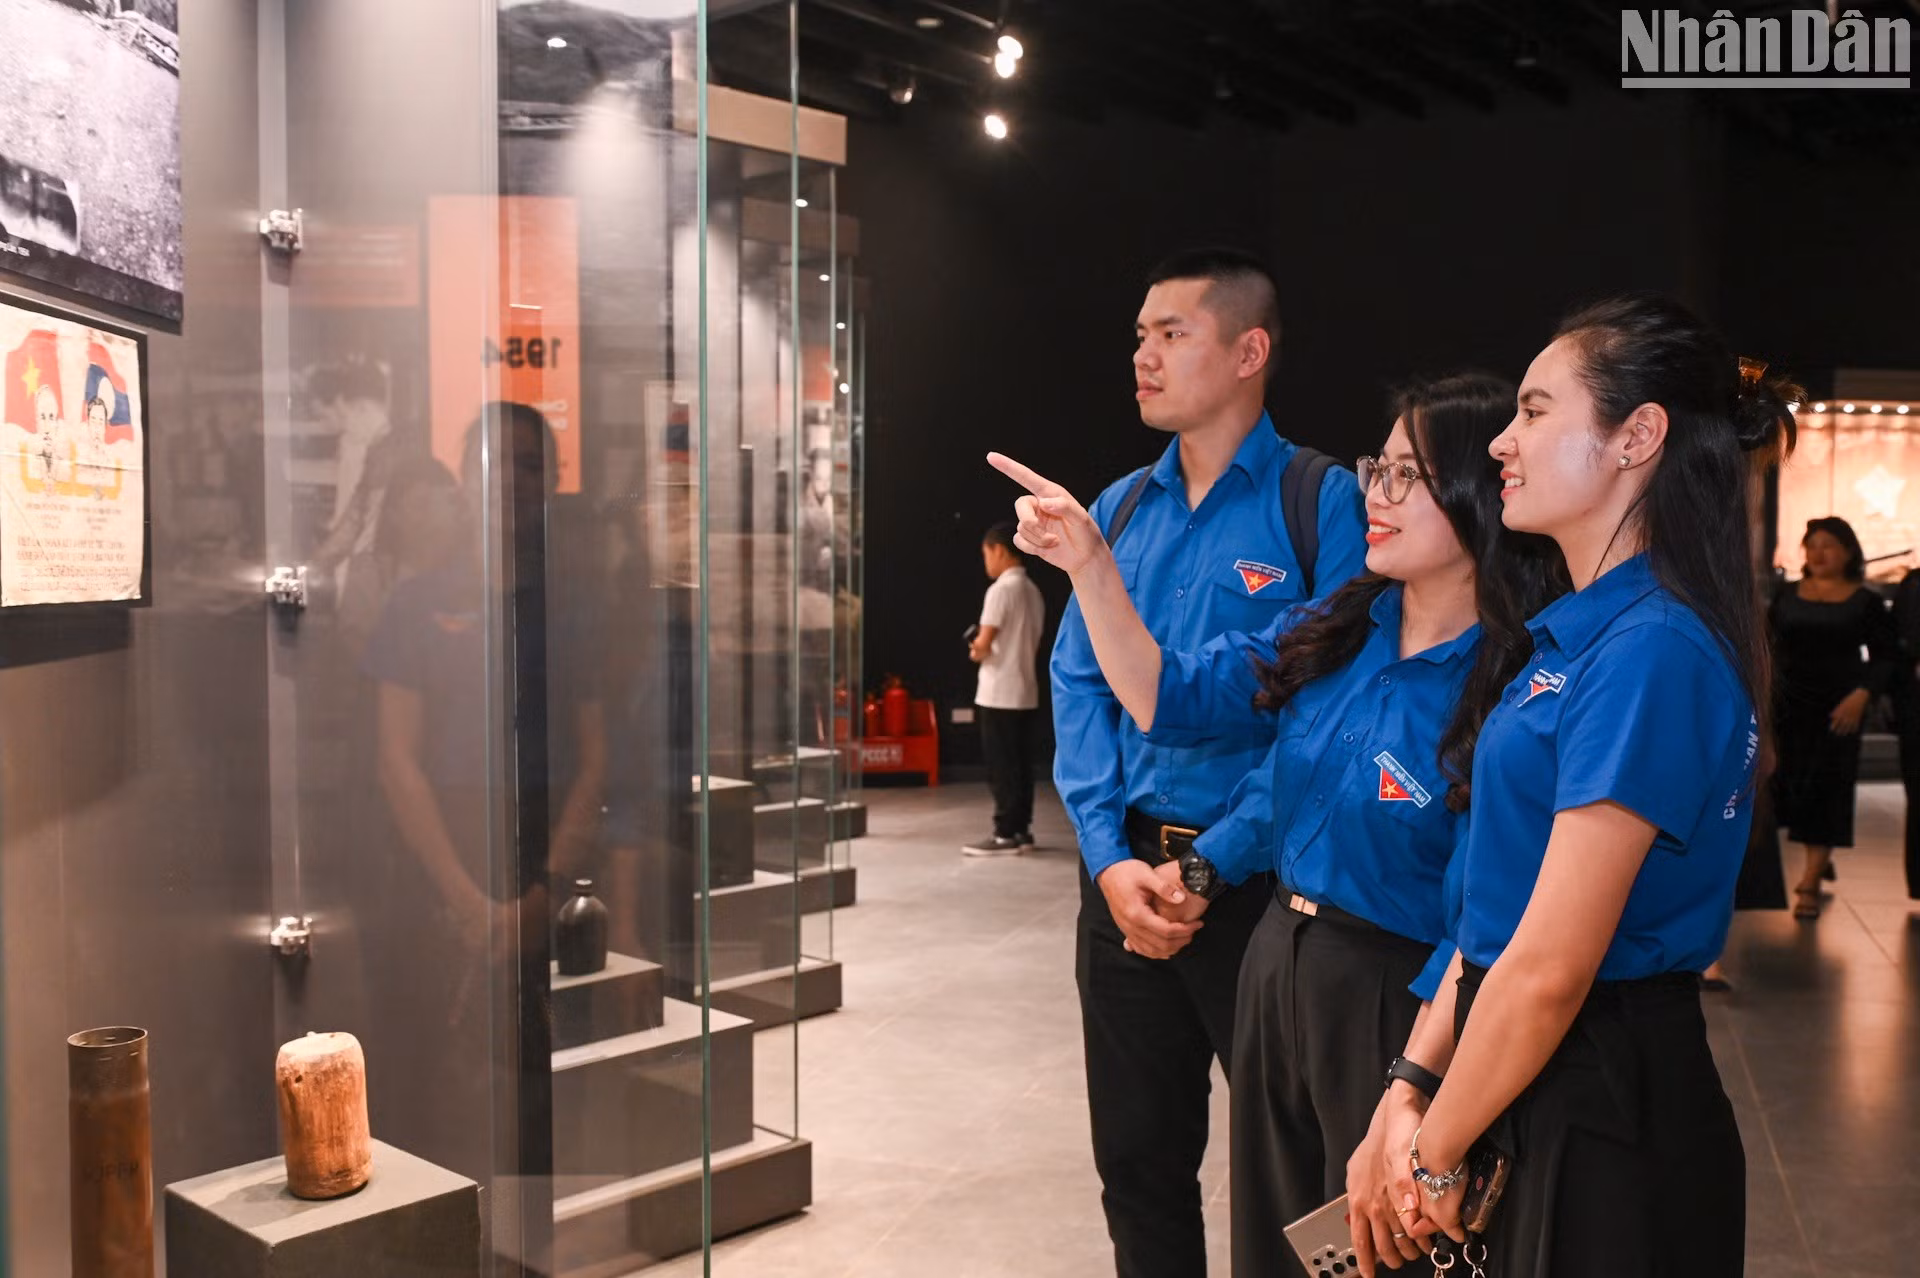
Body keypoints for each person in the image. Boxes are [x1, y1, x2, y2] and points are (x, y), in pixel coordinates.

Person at [993, 372, 1565, 1276]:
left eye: (1408, 477)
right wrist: (1092, 566)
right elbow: (1165, 695)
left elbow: (1491, 917)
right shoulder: (1337, 629)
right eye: (1378, 468)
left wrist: (1419, 1080)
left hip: (1399, 999)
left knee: (1381, 1246)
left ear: (1477, 495)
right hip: (1278, 966)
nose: (1376, 495)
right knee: (1277, 1241)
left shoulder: (1516, 684)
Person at [1363, 295, 1798, 1277]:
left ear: (1636, 437)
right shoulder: (1583, 634)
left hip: (1601, 1098)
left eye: (1534, 410)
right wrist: (1411, 1089)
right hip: (1520, 1070)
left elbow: (1552, 965)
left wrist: (1428, 1158)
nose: (1503, 441)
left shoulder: (1651, 650)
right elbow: (1498, 918)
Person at [1041, 247, 1368, 1278]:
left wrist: (1211, 862)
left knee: (1302, 1171)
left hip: (1263, 890)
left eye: (1171, 334)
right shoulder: (1117, 510)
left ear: (1248, 351)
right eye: (1140, 335)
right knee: (1137, 1167)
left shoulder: (1323, 503)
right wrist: (1107, 858)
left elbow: (1327, 716)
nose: (1143, 356)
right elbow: (1081, 686)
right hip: (1125, 887)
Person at [1768, 516, 1899, 919]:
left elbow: (1886, 655)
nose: (1819, 553)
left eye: (1828, 545)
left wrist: (1862, 695)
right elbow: (1768, 646)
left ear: (1848, 552)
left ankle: (1809, 880)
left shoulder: (1865, 601)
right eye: (1812, 545)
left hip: (1838, 709)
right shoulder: (1786, 595)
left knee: (1827, 790)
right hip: (1787, 707)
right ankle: (1816, 862)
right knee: (1781, 788)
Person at [963, 521, 1047, 856]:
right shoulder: (1033, 591)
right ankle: (1022, 830)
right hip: (1026, 689)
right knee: (1022, 765)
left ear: (998, 550)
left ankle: (1004, 833)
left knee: (1001, 766)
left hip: (998, 692)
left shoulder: (1000, 590)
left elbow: (984, 644)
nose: (986, 562)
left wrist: (975, 650)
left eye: (986, 554)